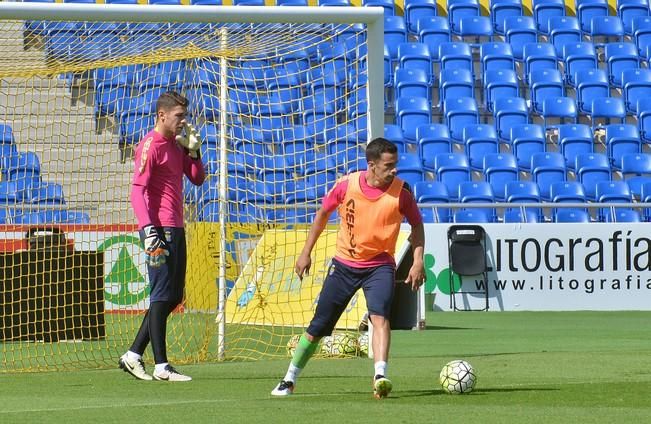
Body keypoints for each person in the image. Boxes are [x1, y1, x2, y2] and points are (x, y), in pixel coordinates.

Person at [270, 138, 425, 399]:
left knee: (380, 318)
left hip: (380, 266)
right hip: (344, 265)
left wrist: (418, 260)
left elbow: (417, 226)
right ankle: (289, 378)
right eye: (388, 165)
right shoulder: (346, 185)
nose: (394, 170)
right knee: (318, 326)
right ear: (372, 165)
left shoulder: (403, 192)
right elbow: (322, 214)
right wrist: (305, 252)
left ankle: (380, 375)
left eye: (395, 164)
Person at [118, 91, 206, 382]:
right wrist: (148, 231)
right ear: (162, 115)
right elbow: (136, 191)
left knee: (173, 297)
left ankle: (133, 355)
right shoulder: (150, 145)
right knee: (161, 295)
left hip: (176, 227)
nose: (183, 121)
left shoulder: (175, 145)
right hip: (160, 229)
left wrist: (194, 152)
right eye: (179, 116)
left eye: (184, 116)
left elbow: (197, 177)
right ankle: (162, 366)